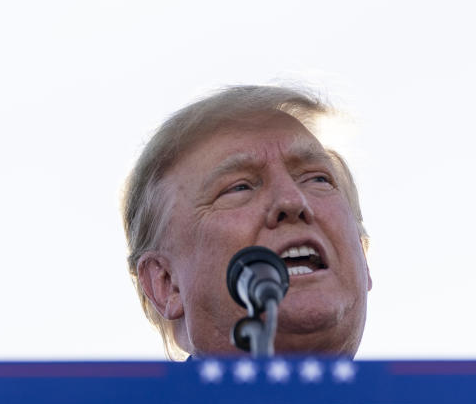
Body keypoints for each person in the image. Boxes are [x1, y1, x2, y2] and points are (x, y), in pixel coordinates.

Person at [123, 84, 371, 359]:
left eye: (318, 179)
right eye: (239, 188)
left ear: (362, 254)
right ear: (166, 282)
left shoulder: (423, 400)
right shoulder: (101, 403)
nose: (292, 201)